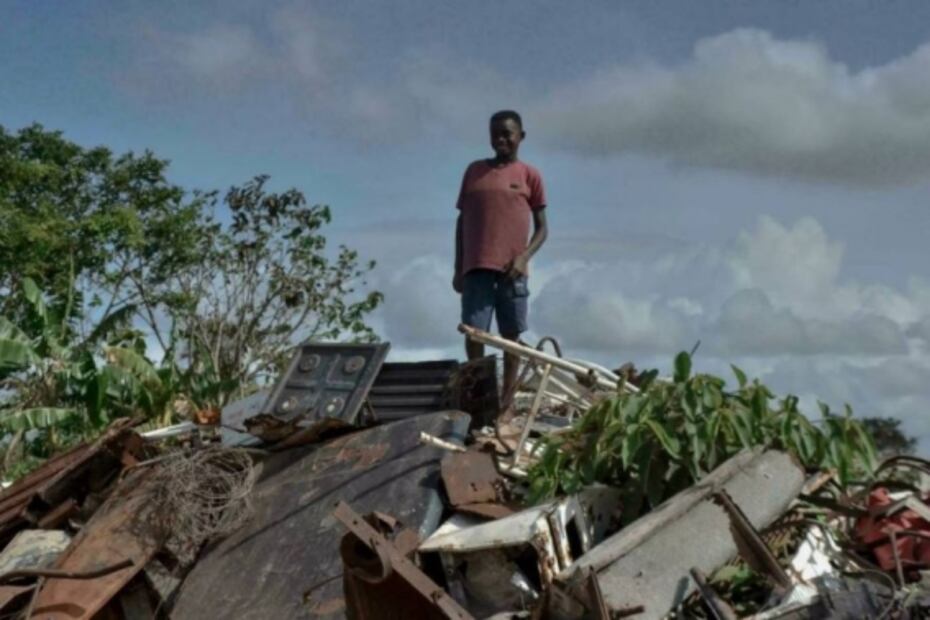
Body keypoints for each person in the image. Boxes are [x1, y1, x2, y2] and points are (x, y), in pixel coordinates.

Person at [453, 109, 548, 406]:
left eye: (507, 133)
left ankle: (506, 402)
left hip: (512, 271)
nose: (501, 139)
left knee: (511, 337)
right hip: (477, 266)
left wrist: (523, 258)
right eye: (495, 133)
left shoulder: (529, 175)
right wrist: (459, 267)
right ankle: (478, 399)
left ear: (521, 136)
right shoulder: (474, 171)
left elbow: (543, 229)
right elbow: (461, 221)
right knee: (474, 334)